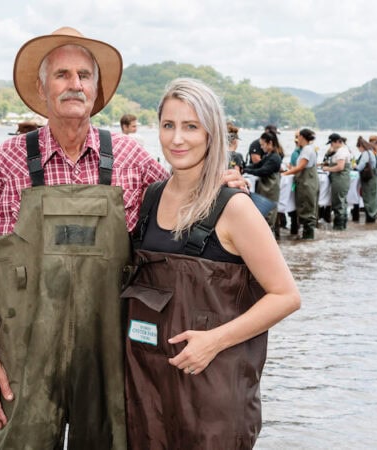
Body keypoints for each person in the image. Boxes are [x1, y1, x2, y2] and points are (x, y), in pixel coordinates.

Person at [0, 27, 199, 449]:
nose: (74, 84)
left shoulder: (130, 157)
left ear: (96, 88)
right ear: (42, 88)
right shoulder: (8, 160)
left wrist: (223, 189)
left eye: (84, 75)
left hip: (110, 356)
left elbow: (185, 211)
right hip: (24, 357)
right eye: (62, 75)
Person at [123, 77, 300, 450]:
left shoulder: (234, 207)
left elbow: (285, 295)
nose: (177, 139)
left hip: (213, 393)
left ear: (211, 133)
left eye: (191, 126)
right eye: (168, 125)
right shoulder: (151, 197)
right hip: (149, 390)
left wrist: (214, 341)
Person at [244, 131, 283, 238]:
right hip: (265, 189)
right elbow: (258, 165)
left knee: (269, 217)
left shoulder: (275, 157)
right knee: (264, 215)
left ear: (270, 143)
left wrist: (247, 171)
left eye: (262, 145)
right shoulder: (269, 155)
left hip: (271, 190)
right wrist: (245, 168)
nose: (261, 147)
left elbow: (263, 171)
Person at [282, 128, 319, 239]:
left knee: (307, 209)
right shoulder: (306, 149)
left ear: (302, 137)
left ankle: (308, 238)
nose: (297, 139)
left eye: (298, 137)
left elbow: (300, 167)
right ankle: (306, 239)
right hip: (306, 182)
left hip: (307, 183)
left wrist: (285, 174)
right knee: (306, 207)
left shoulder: (307, 149)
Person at [321, 132, 351, 230]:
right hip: (339, 179)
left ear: (338, 142)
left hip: (340, 179)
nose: (331, 145)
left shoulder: (342, 151)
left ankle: (339, 227)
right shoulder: (340, 150)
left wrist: (327, 169)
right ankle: (342, 227)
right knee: (342, 202)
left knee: (338, 203)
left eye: (332, 143)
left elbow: (340, 167)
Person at [355, 136, 377, 223]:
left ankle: (370, 218)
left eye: (359, 148)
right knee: (374, 197)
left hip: (368, 178)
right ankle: (373, 217)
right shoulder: (373, 152)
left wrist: (354, 167)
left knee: (368, 197)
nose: (359, 150)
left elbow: (360, 167)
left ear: (361, 146)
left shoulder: (365, 153)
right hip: (375, 177)